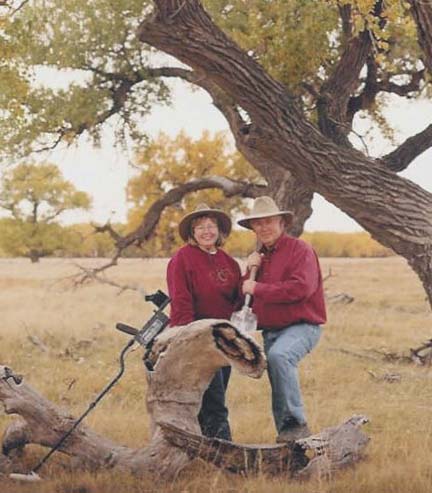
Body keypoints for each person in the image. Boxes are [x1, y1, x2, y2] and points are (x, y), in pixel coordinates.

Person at [238, 196, 326, 442]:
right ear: (253, 228)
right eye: (258, 224)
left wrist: (257, 288)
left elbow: (301, 288)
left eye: (269, 221)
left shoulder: (300, 250)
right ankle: (288, 442)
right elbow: (244, 295)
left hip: (303, 326)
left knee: (280, 357)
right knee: (278, 382)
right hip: (271, 331)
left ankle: (297, 425)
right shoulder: (258, 259)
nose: (263, 227)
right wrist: (248, 271)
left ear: (281, 223)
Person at [166, 203, 241, 441]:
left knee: (214, 396)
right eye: (200, 227)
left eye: (211, 226)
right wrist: (188, 338)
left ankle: (204, 445)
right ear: (192, 232)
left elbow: (238, 301)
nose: (206, 231)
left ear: (219, 231)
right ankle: (226, 453)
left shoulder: (229, 262)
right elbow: (180, 300)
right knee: (214, 400)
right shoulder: (182, 259)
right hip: (197, 339)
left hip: (225, 339)